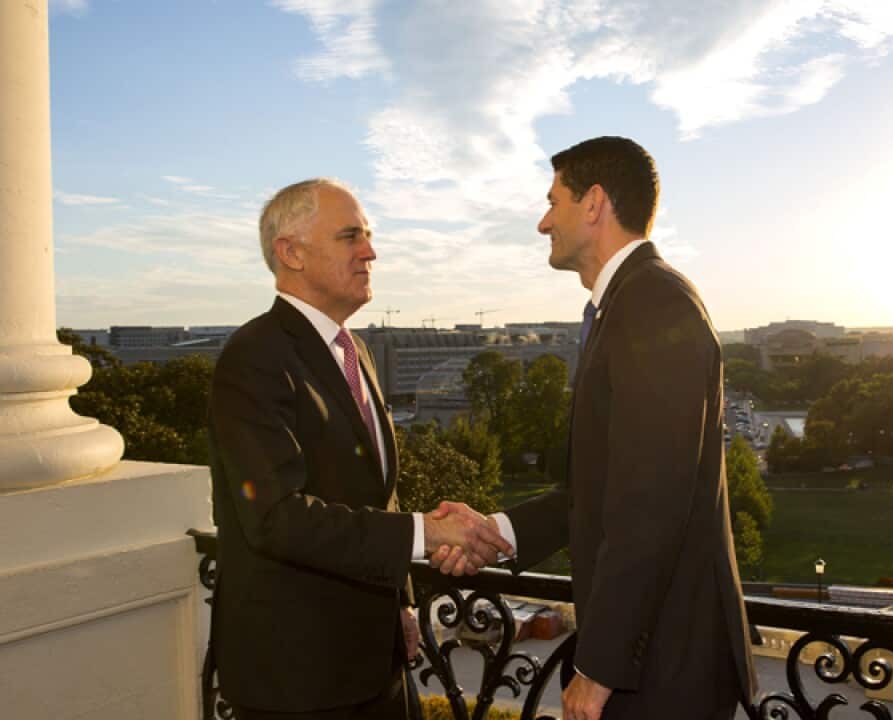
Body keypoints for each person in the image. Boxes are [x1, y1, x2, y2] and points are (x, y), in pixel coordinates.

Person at [439, 137, 757, 719]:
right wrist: (497, 530)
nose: (542, 223)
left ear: (594, 203)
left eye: (552, 201)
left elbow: (649, 507)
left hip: (663, 670)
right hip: (652, 660)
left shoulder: (654, 306)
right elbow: (599, 491)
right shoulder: (627, 307)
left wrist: (600, 667)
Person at [207, 178, 511, 720]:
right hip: (297, 680)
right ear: (290, 252)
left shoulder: (356, 351)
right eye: (351, 237)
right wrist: (427, 533)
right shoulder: (252, 358)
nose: (370, 252)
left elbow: (374, 493)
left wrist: (402, 601)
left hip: (374, 662)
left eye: (368, 237)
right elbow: (275, 518)